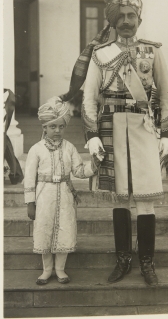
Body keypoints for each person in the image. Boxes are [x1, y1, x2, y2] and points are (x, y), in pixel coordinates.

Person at [80, 0, 168, 286]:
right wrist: (92, 135)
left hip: (146, 131)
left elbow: (165, 94)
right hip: (112, 133)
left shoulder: (152, 51)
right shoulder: (100, 54)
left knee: (145, 200)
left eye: (131, 16)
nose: (126, 21)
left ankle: (147, 262)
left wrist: (167, 134)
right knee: (121, 199)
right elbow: (89, 98)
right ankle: (123, 260)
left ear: (139, 19)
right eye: (119, 16)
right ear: (111, 20)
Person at [24, 96, 101, 285]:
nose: (57, 131)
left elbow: (79, 171)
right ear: (44, 128)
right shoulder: (36, 150)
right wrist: (30, 202)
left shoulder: (70, 148)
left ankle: (60, 269)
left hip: (65, 196)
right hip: (44, 196)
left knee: (64, 229)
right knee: (44, 230)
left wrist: (94, 166)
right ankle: (46, 270)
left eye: (60, 127)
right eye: (52, 127)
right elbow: (29, 177)